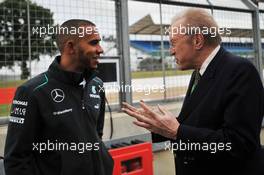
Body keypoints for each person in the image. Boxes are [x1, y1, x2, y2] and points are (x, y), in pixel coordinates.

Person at [122, 8, 264, 175]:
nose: (171, 51)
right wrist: (160, 126)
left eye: (173, 43)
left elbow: (239, 144)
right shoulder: (199, 72)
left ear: (197, 41)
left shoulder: (240, 71)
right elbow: (199, 123)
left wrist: (176, 131)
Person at [4, 19, 113, 175]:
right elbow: (16, 160)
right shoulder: (32, 91)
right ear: (70, 47)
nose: (100, 49)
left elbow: (97, 135)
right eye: (93, 43)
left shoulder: (96, 85)